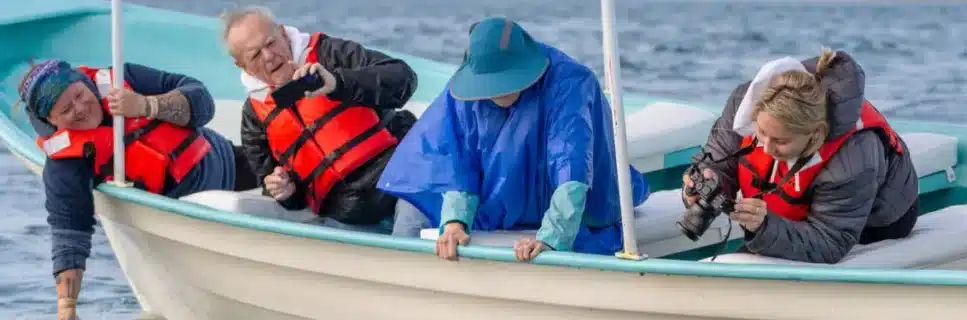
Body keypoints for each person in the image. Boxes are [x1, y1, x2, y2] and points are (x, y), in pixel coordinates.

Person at [18, 59, 260, 320]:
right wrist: (67, 308)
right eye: (65, 110)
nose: (80, 109)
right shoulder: (65, 164)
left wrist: (147, 105)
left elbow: (202, 101)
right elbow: (69, 232)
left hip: (231, 164)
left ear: (85, 82)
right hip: (191, 213)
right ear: (51, 121)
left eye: (79, 95)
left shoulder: (122, 78)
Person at [375, 17, 651, 262]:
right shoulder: (468, 86)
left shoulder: (571, 84)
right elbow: (459, 161)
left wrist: (551, 237)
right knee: (412, 209)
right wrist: (455, 222)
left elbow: (572, 165)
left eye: (506, 81)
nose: (498, 90)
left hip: (566, 190)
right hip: (499, 188)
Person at [684, 49, 919, 264]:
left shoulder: (853, 158)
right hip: (796, 206)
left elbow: (830, 240)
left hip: (875, 220)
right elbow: (717, 159)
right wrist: (704, 184)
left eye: (780, 141)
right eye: (761, 132)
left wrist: (764, 228)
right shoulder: (745, 103)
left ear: (815, 135)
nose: (766, 148)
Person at [221, 7, 420, 230]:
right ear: (243, 66)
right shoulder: (254, 119)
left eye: (271, 43)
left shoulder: (330, 54)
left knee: (408, 230)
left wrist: (337, 83)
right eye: (255, 55)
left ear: (284, 34)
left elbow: (404, 78)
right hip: (347, 214)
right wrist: (285, 192)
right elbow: (275, 186)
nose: (268, 56)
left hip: (400, 177)